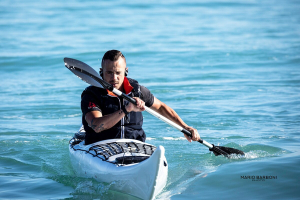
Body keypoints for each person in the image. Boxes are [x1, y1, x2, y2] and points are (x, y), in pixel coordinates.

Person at [81, 50, 200, 145]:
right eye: (109, 73)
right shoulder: (92, 94)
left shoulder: (137, 90)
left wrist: (184, 127)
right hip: (101, 144)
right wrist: (126, 110)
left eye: (118, 73)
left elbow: (161, 108)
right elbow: (96, 126)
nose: (114, 78)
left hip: (134, 144)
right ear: (101, 72)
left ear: (126, 71)